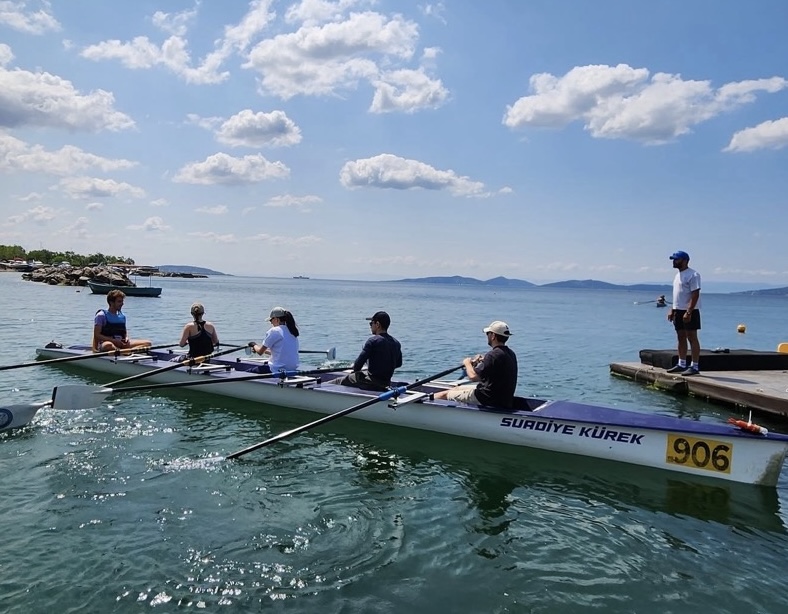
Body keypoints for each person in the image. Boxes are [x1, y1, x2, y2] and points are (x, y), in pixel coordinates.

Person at [433, 320, 518, 408]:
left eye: (488, 333)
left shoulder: (492, 355)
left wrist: (467, 363)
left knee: (445, 394)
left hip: (487, 398)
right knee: (456, 389)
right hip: (502, 398)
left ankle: (424, 405)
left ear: (493, 336)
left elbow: (473, 377)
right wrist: (482, 361)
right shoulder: (510, 353)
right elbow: (494, 367)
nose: (487, 336)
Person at [337, 311, 402, 391]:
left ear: (377, 324)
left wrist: (357, 370)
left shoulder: (372, 341)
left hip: (370, 383)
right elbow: (398, 364)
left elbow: (357, 366)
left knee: (339, 381)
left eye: (371, 323)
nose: (370, 326)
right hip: (386, 383)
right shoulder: (396, 343)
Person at [665, 250, 702, 376]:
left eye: (676, 259)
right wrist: (673, 309)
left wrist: (689, 311)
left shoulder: (693, 275)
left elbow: (695, 294)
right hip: (678, 311)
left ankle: (695, 366)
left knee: (692, 337)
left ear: (685, 260)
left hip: (690, 311)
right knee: (680, 337)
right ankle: (681, 363)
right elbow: (678, 295)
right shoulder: (677, 275)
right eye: (673, 259)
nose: (674, 262)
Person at [249, 306, 300, 372]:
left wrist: (254, 345)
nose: (270, 322)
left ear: (276, 319)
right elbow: (280, 353)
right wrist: (262, 349)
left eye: (271, 320)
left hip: (276, 370)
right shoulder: (292, 331)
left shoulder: (274, 331)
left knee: (248, 372)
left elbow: (260, 352)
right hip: (292, 369)